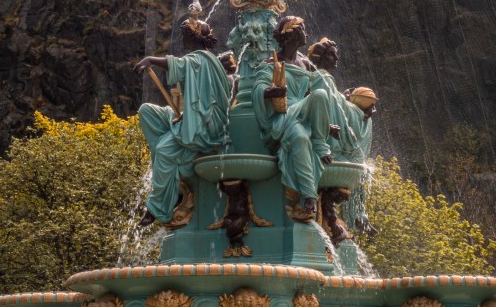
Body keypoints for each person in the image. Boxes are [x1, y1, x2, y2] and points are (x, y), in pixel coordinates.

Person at [134, 16, 232, 225]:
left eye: (185, 35)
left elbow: (179, 64)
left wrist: (151, 60)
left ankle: (159, 207)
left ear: (192, 37)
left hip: (206, 126)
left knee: (164, 149)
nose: (182, 39)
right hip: (192, 118)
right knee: (147, 112)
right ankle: (172, 175)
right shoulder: (200, 59)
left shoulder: (203, 59)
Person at [252, 14, 334, 220]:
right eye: (303, 30)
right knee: (299, 138)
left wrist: (326, 124)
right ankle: (309, 196)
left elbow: (315, 99)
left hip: (302, 110)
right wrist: (272, 92)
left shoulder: (306, 64)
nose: (306, 34)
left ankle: (320, 142)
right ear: (293, 35)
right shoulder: (273, 60)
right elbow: (258, 88)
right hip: (284, 115)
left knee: (321, 93)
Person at [307, 38, 377, 163]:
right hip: (327, 140)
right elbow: (334, 108)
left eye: (336, 54)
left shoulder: (322, 78)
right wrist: (362, 114)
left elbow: (336, 102)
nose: (336, 58)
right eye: (331, 54)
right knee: (367, 121)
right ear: (321, 57)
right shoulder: (323, 78)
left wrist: (344, 97)